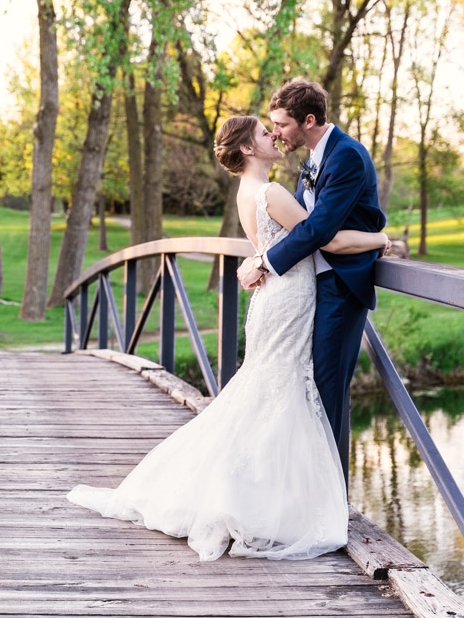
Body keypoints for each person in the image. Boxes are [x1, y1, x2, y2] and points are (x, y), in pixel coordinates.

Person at [66, 114, 389, 561]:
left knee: (266, 391)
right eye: (264, 132)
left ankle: (258, 493)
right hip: (290, 297)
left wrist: (262, 261)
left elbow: (285, 241)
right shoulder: (273, 193)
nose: (274, 135)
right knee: (281, 391)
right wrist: (380, 237)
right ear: (249, 149)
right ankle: (274, 502)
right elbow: (325, 238)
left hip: (272, 299)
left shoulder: (247, 193)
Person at [237, 80, 387, 480]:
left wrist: (266, 262)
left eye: (281, 125)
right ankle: (306, 487)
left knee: (326, 386)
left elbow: (320, 230)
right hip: (311, 286)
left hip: (340, 284)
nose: (276, 133)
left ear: (307, 120)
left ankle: (331, 494)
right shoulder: (314, 157)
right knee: (308, 388)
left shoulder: (348, 157)